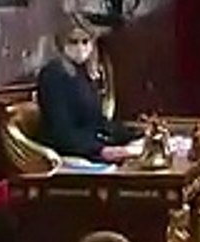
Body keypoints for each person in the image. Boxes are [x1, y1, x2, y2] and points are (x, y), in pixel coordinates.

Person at [35, 13, 137, 162]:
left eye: (85, 41)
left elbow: (97, 122)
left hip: (89, 148)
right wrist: (101, 150)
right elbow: (62, 131)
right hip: (64, 154)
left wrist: (134, 134)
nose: (80, 47)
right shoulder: (53, 74)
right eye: (73, 41)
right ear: (62, 43)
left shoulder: (83, 73)